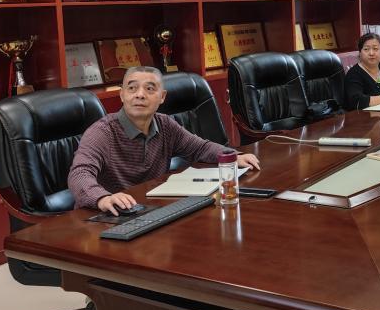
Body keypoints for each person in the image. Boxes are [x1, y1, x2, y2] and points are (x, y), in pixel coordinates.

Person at [68, 66, 261, 214]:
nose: (140, 95)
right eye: (132, 88)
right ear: (122, 95)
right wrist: (102, 198)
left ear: (162, 97)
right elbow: (79, 174)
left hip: (150, 210)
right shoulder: (103, 132)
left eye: (149, 89)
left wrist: (232, 156)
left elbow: (199, 148)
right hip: (108, 216)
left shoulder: (165, 125)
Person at [344, 32, 380, 110]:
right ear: (360, 52)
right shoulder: (354, 74)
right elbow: (356, 101)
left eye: (375, 49)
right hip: (363, 116)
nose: (371, 53)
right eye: (366, 49)